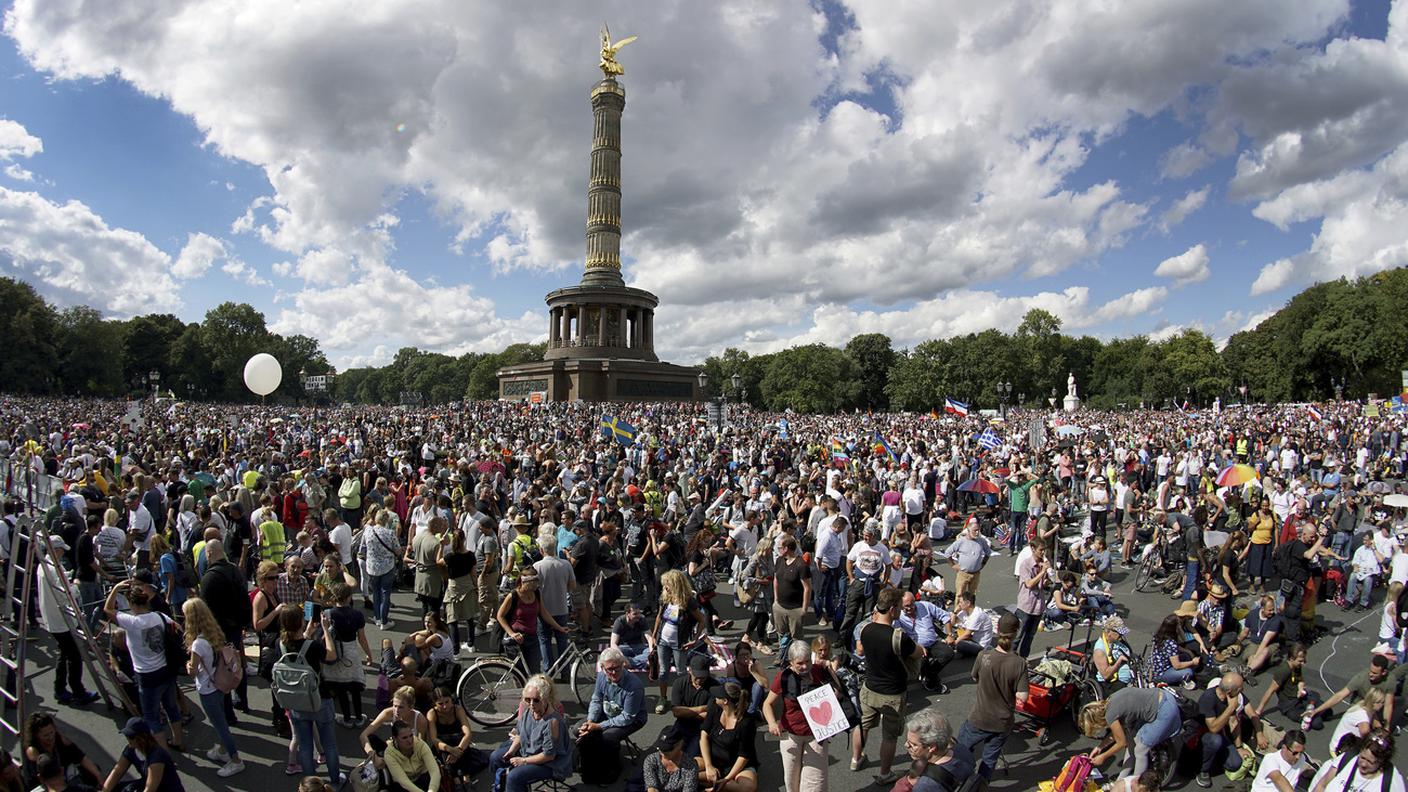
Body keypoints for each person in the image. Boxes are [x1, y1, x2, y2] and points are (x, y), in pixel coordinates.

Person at [102, 579, 184, 751]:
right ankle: (177, 740)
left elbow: (108, 609)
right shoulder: (160, 616)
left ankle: (163, 752)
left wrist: (116, 588)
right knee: (171, 708)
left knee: (152, 716)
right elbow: (177, 627)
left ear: (132, 603)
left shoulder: (131, 623)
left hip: (146, 675)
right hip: (165, 669)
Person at [855, 587, 919, 784]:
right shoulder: (898, 636)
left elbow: (860, 651)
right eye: (899, 607)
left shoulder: (865, 629)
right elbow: (918, 653)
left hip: (869, 687)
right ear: (892, 609)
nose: (900, 610)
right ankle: (884, 773)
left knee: (863, 725)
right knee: (890, 736)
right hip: (892, 692)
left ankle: (856, 759)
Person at [955, 612, 1027, 780]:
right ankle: (980, 785)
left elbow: (974, 677)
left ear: (997, 629)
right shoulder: (1019, 663)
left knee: (961, 751)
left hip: (979, 717)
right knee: (989, 759)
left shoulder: (984, 656)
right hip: (1001, 723)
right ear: (1016, 633)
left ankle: (960, 779)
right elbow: (1022, 697)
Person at [179, 598, 245, 777]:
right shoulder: (215, 632)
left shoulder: (197, 644)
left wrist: (187, 665)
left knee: (219, 725)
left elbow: (192, 672)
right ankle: (223, 750)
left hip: (207, 688)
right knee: (221, 718)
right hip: (219, 683)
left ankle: (235, 759)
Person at [277, 605, 342, 786]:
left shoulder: (280, 644)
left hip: (296, 701)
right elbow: (331, 656)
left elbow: (297, 647)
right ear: (300, 622)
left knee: (305, 745)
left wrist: (307, 631)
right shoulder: (312, 646)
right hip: (319, 697)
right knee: (328, 744)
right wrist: (327, 631)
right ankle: (335, 781)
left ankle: (310, 785)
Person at [36, 535, 99, 707]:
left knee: (64, 655)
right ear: (55, 550)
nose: (63, 553)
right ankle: (78, 691)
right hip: (62, 620)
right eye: (61, 549)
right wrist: (76, 587)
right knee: (74, 656)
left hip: (53, 619)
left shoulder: (43, 567)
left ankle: (60, 688)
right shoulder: (53, 569)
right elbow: (64, 594)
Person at [763, 640, 831, 792]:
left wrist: (831, 668)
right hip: (790, 736)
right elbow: (767, 704)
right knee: (791, 783)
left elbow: (835, 694)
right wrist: (772, 723)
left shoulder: (819, 671)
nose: (805, 666)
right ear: (791, 662)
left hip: (816, 736)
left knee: (814, 785)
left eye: (807, 662)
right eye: (800, 663)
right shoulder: (783, 677)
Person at [487, 674, 574, 792]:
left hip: (549, 763)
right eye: (528, 699)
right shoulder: (528, 710)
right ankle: (499, 787)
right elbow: (520, 734)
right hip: (529, 750)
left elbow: (549, 755)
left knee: (514, 777)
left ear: (545, 698)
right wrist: (511, 751)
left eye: (536, 700)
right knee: (495, 758)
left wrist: (523, 761)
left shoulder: (552, 722)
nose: (531, 704)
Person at [198, 540, 252, 723]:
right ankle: (243, 700)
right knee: (237, 663)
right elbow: (244, 598)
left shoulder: (209, 578)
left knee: (223, 670)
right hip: (236, 627)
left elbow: (204, 611)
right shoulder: (235, 571)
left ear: (210, 553)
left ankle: (228, 714)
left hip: (219, 631)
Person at [577, 646, 647, 786]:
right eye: (610, 669)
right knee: (578, 729)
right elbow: (596, 699)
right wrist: (590, 721)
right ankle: (592, 765)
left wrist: (598, 726)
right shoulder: (602, 676)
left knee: (608, 737)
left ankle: (613, 769)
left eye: (617, 668)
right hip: (608, 712)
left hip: (633, 719)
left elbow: (627, 717)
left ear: (623, 665)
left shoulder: (634, 686)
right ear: (603, 667)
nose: (614, 672)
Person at [1082, 687, 1184, 781]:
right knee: (1132, 742)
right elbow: (1117, 734)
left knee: (1140, 750)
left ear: (1097, 721)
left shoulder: (1110, 716)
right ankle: (1121, 780)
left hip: (1164, 711)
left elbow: (1121, 742)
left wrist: (1103, 757)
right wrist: (1100, 747)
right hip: (1163, 697)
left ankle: (1136, 784)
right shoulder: (1110, 702)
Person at [653, 570, 708, 712]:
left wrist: (695, 640)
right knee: (663, 671)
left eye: (667, 584)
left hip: (679, 642)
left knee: (681, 672)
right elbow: (659, 617)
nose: (665, 587)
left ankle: (684, 699)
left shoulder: (688, 601)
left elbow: (702, 620)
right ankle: (663, 698)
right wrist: (654, 636)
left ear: (675, 584)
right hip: (662, 640)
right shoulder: (665, 598)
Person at [497, 568, 562, 678]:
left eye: (536, 584)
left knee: (534, 673)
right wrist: (512, 634)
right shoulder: (513, 596)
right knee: (519, 674)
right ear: (523, 582)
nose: (534, 587)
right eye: (531, 585)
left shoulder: (536, 593)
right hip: (516, 640)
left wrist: (558, 627)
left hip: (532, 638)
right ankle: (521, 694)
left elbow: (543, 612)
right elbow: (500, 616)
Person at [1248, 644, 1328, 731]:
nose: (1303, 664)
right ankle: (1311, 714)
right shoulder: (1283, 671)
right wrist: (1258, 711)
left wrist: (1300, 689)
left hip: (1299, 698)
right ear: (1291, 659)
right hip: (1289, 705)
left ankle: (1312, 711)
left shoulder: (1297, 666)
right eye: (1300, 661)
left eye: (1304, 660)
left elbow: (1300, 680)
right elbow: (1270, 691)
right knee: (1317, 723)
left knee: (1328, 711)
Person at [697, 682, 759, 792]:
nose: (715, 697)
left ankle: (717, 784)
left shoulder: (746, 723)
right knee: (686, 768)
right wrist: (709, 766)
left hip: (737, 765)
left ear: (725, 701)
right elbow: (703, 736)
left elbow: (743, 756)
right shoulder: (715, 708)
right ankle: (713, 781)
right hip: (713, 759)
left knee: (748, 788)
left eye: (718, 696)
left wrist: (727, 779)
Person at [1195, 672, 1254, 787]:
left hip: (1220, 735)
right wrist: (1231, 707)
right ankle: (1203, 770)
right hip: (1201, 736)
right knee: (1215, 740)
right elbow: (1213, 728)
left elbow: (1233, 722)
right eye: (1240, 689)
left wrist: (1239, 747)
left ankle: (1214, 756)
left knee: (1235, 764)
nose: (1242, 691)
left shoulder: (1230, 697)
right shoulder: (1208, 698)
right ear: (1229, 692)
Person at [21, 714, 102, 790]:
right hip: (45, 783)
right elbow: (45, 777)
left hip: (62, 775)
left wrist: (98, 776)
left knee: (93, 771)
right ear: (36, 736)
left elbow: (80, 757)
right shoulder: (33, 752)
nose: (50, 737)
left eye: (52, 732)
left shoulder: (60, 740)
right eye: (45, 735)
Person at [100, 717, 183, 792]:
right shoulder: (131, 749)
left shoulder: (157, 757)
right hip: (147, 784)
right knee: (116, 788)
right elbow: (117, 772)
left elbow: (150, 788)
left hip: (165, 789)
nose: (128, 739)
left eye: (131, 737)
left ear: (142, 738)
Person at [903, 707, 975, 792]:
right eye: (907, 741)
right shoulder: (962, 750)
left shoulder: (925, 785)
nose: (906, 745)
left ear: (932, 748)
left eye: (914, 744)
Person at [1310, 728, 1404, 792]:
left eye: (1370, 762)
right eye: (1362, 757)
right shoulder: (1347, 759)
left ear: (1382, 761)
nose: (1363, 764)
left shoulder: (1392, 782)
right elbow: (1321, 786)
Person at [428, 686, 487, 784]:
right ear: (435, 703)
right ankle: (456, 780)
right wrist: (450, 750)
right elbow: (434, 739)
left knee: (463, 745)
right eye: (440, 704)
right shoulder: (432, 714)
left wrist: (458, 750)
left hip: (459, 743)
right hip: (444, 745)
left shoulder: (458, 710)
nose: (445, 706)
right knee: (445, 756)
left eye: (447, 702)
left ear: (451, 699)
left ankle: (466, 777)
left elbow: (467, 733)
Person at [898, 591, 954, 693]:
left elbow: (945, 616)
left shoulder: (925, 606)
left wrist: (949, 635)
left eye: (912, 604)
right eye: (906, 606)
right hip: (915, 646)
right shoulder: (898, 616)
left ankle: (929, 676)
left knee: (948, 653)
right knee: (920, 662)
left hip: (932, 642)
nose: (910, 608)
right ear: (900, 606)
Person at [669, 655, 717, 757]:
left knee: (690, 757)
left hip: (701, 729)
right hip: (682, 725)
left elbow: (710, 715)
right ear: (689, 670)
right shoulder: (679, 683)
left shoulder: (715, 686)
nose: (700, 680)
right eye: (697, 676)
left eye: (703, 677)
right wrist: (701, 708)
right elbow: (676, 712)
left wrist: (686, 712)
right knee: (668, 753)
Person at [772, 535, 810, 657]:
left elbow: (807, 588)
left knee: (797, 639)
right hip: (780, 606)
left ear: (786, 548)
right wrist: (776, 600)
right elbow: (776, 580)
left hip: (795, 608)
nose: (778, 550)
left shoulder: (801, 565)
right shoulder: (779, 561)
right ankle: (782, 656)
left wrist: (804, 609)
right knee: (782, 635)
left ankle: (797, 659)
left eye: (779, 547)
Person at [1013, 540, 1053, 657]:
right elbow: (1029, 584)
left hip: (1038, 606)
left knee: (1030, 636)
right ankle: (1010, 659)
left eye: (1044, 550)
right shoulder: (1026, 564)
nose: (1043, 552)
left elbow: (1043, 584)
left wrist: (1047, 578)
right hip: (1026, 606)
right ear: (1033, 549)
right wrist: (1042, 572)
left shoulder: (1042, 564)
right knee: (1018, 635)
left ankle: (1023, 658)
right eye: (1041, 550)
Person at [382, 720, 441, 792]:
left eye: (411, 735)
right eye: (404, 738)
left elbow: (435, 771)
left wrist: (432, 790)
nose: (409, 740)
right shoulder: (389, 754)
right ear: (395, 738)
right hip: (404, 785)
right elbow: (403, 781)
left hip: (422, 777)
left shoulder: (420, 744)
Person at [1328, 689, 1388, 757]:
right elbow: (1367, 738)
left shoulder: (1365, 707)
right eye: (1382, 702)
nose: (1383, 705)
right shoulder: (1362, 717)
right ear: (1375, 703)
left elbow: (1377, 724)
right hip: (1340, 749)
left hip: (1345, 743)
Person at [642, 724, 698, 792]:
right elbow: (651, 787)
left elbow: (689, 789)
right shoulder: (651, 760)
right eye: (661, 748)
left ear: (680, 744)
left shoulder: (690, 765)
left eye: (668, 749)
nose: (663, 753)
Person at [946, 590, 994, 658]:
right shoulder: (965, 611)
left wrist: (954, 642)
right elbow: (952, 623)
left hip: (979, 644)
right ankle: (962, 651)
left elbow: (967, 634)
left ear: (968, 603)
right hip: (971, 638)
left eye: (961, 602)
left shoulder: (977, 615)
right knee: (948, 629)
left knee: (960, 644)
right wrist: (955, 612)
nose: (959, 604)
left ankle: (962, 651)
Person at [610, 601, 655, 670]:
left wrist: (652, 654)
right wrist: (623, 658)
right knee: (613, 654)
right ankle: (643, 664)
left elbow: (649, 638)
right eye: (635, 614)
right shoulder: (619, 622)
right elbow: (613, 643)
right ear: (627, 614)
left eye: (639, 613)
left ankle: (630, 663)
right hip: (623, 647)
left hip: (638, 645)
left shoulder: (642, 619)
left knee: (652, 652)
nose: (638, 616)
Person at [1093, 616, 1135, 690]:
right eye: (1119, 633)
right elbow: (1106, 675)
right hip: (1113, 683)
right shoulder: (1099, 650)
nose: (1121, 637)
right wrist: (1119, 661)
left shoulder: (1117, 641)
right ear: (1109, 632)